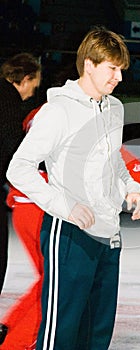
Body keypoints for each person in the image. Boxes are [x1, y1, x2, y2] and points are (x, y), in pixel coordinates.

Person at [6, 27, 140, 350]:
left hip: (109, 236)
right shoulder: (58, 111)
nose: (119, 78)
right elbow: (19, 168)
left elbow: (115, 163)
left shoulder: (115, 109)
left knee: (97, 334)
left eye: (121, 70)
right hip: (69, 235)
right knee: (61, 334)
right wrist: (65, 206)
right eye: (112, 69)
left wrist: (131, 188)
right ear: (89, 65)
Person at [0, 107, 140, 349]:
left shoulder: (44, 111)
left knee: (50, 279)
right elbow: (114, 155)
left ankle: (12, 330)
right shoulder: (84, 115)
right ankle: (16, 342)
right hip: (44, 208)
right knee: (58, 284)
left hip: (24, 206)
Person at [0, 52, 41, 298]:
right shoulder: (9, 103)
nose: (31, 94)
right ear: (24, 79)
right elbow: (13, 149)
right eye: (32, 87)